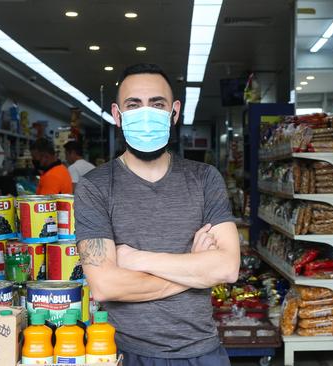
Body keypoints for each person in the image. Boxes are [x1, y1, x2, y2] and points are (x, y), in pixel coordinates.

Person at [74, 63, 239, 366]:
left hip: (202, 351)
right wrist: (195, 270)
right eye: (134, 105)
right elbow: (105, 285)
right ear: (117, 114)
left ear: (174, 112)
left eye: (157, 104)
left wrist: (137, 258)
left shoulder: (205, 178)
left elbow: (227, 268)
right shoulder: (95, 187)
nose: (146, 114)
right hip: (125, 353)